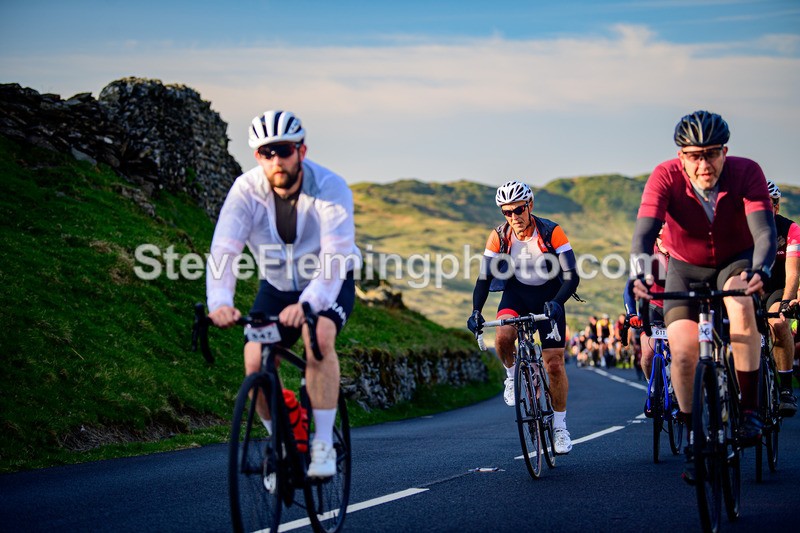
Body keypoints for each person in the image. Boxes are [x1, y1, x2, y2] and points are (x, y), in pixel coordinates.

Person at [206, 110, 361, 478]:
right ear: (257, 156)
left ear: (301, 151)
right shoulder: (246, 191)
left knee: (318, 336)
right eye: (265, 152)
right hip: (276, 287)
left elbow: (335, 254)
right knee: (255, 359)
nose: (276, 159)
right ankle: (282, 444)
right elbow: (225, 250)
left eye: (284, 150)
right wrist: (220, 303)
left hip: (331, 278)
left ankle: (322, 444)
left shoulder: (330, 187)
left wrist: (308, 304)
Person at [630, 110, 777, 484]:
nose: (703, 163)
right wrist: (643, 274)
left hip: (735, 260)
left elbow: (763, 232)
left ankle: (748, 411)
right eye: (694, 155)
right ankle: (694, 434)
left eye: (711, 153)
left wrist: (760, 270)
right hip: (685, 266)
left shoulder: (747, 172)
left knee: (740, 305)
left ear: (724, 152)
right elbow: (644, 235)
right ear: (681, 156)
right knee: (682, 349)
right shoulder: (665, 176)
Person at [467, 180, 580, 454]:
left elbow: (572, 276)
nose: (514, 217)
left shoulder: (552, 231)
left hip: (550, 297)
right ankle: (510, 376)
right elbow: (483, 279)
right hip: (516, 295)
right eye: (507, 212)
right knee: (503, 338)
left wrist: (556, 302)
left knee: (553, 364)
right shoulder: (499, 235)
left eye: (518, 210)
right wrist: (476, 311)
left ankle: (560, 428)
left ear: (529, 205)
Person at [762, 180, 799, 417]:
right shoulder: (740, 228)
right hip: (748, 288)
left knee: (778, 322)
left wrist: (786, 302)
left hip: (777, 288)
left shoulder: (790, 229)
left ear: (776, 206)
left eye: (770, 204)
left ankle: (786, 389)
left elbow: (793, 272)